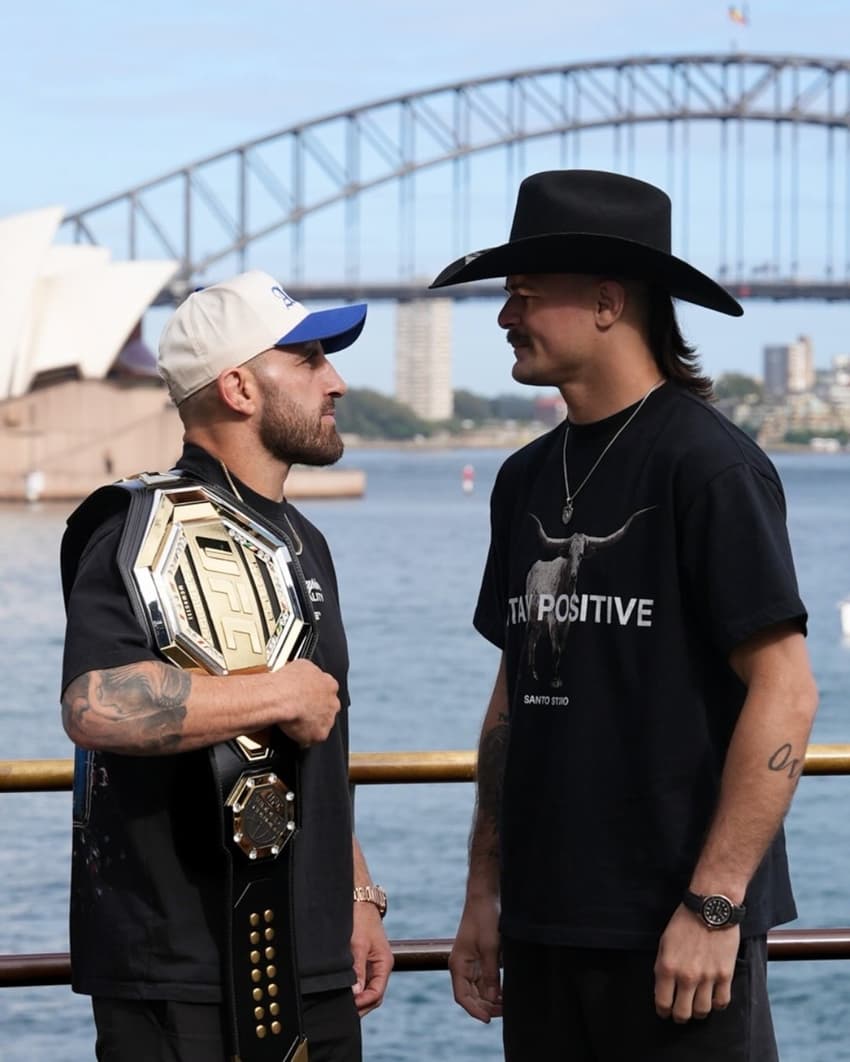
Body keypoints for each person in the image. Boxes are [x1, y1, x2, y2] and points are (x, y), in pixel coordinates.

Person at [430, 170, 819, 1061]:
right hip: (543, 924)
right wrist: (482, 897)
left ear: (608, 302)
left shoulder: (709, 467)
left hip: (677, 935)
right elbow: (510, 706)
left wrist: (713, 906)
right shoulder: (523, 478)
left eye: (524, 296)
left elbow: (787, 692)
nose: (504, 317)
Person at [60, 270, 393, 1062]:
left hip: (314, 966)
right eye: (309, 360)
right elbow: (96, 706)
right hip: (182, 981)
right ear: (240, 386)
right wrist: (276, 691)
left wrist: (356, 894)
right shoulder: (132, 528)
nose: (336, 381)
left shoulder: (305, 539)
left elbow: (307, 744)